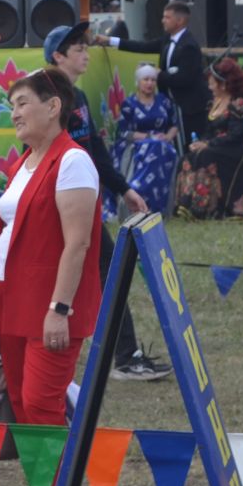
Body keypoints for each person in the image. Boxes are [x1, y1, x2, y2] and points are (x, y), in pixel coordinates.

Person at [0, 68, 102, 486]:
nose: (14, 112)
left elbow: (77, 245)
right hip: (11, 300)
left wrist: (60, 307)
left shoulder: (72, 161)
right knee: (23, 404)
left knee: (42, 404)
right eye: (11, 104)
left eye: (22, 102)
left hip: (48, 306)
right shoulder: (25, 161)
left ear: (54, 107)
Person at [42, 23, 167, 382]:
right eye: (78, 48)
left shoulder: (77, 97)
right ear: (58, 56)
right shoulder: (46, 95)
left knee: (95, 271)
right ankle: (126, 358)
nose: (86, 53)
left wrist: (123, 188)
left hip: (78, 205)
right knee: (107, 269)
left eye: (86, 46)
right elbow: (35, 153)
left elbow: (94, 150)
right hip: (59, 205)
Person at [106, 1, 208, 143]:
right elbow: (142, 46)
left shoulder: (189, 45)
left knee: (189, 146)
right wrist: (110, 40)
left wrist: (159, 74)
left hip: (188, 108)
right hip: (170, 104)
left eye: (167, 17)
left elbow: (185, 79)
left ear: (180, 20)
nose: (163, 21)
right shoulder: (167, 40)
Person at [174, 59, 243, 220]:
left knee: (205, 155)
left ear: (223, 84)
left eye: (212, 83)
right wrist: (200, 143)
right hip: (221, 145)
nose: (210, 87)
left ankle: (204, 207)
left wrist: (208, 144)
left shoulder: (240, 103)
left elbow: (237, 134)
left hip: (241, 148)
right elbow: (210, 132)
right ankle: (186, 205)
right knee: (188, 157)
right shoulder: (214, 102)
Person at [113, 64, 179, 216]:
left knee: (160, 149)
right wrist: (149, 138)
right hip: (137, 145)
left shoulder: (164, 101)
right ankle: (137, 197)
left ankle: (159, 206)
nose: (150, 83)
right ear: (138, 82)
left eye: (153, 80)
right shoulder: (129, 104)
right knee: (152, 148)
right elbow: (124, 132)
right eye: (146, 79)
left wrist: (168, 137)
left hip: (163, 145)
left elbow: (174, 125)